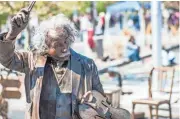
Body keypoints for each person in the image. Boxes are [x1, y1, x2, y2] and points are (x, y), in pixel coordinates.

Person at [0, 8, 104, 119]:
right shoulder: (32, 60)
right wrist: (12, 35)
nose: (64, 48)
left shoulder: (87, 65)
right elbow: (7, 59)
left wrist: (92, 104)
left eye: (66, 41)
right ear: (45, 45)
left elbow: (102, 103)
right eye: (57, 44)